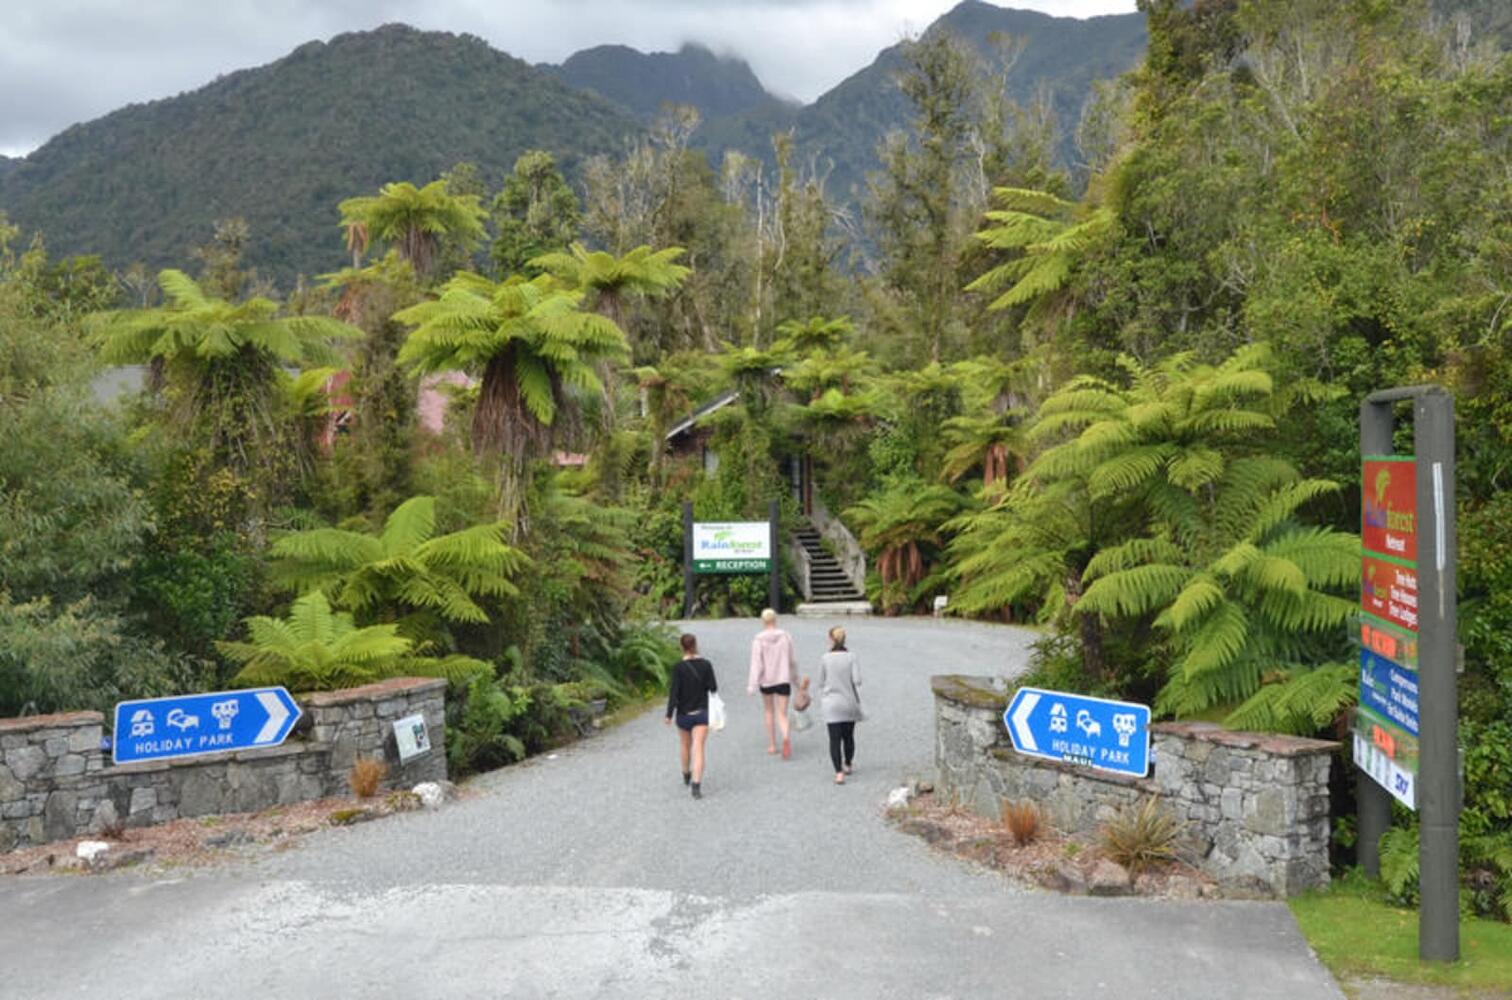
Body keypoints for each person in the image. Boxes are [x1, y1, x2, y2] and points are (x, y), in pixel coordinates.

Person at [665, 632, 717, 799]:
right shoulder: (706, 665)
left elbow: (674, 693)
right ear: (695, 645)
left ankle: (686, 773)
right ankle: (696, 785)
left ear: (682, 647)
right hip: (702, 713)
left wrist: (669, 714)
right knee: (699, 747)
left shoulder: (678, 668)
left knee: (685, 745)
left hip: (683, 714)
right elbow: (713, 688)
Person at [747, 607, 798, 759]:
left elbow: (756, 664)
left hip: (767, 680)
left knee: (769, 711)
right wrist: (796, 680)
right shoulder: (786, 636)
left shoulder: (758, 639)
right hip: (783, 678)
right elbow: (792, 660)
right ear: (775, 619)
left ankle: (772, 744)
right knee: (782, 713)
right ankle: (786, 737)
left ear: (763, 621)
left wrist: (752, 684)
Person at [817, 625, 863, 785]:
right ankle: (848, 763)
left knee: (834, 739)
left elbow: (821, 681)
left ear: (831, 639)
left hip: (831, 703)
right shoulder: (851, 657)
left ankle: (838, 773)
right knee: (848, 736)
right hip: (848, 701)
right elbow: (857, 680)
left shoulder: (825, 658)